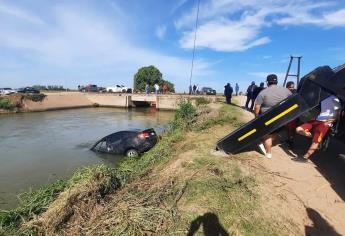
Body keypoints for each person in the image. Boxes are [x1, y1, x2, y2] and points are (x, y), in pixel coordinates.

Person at [254, 74, 291, 158]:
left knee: (268, 135)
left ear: (267, 82)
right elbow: (291, 102)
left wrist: (256, 118)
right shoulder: (286, 91)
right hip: (282, 117)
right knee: (275, 132)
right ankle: (266, 142)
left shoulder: (263, 92)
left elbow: (257, 107)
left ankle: (268, 153)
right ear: (277, 81)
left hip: (267, 118)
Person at [296, 95, 341, 160]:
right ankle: (312, 136)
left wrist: (330, 121)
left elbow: (340, 112)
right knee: (298, 129)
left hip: (324, 123)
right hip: (317, 120)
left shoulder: (334, 99)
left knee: (315, 141)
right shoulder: (323, 96)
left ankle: (305, 158)